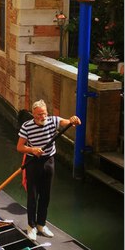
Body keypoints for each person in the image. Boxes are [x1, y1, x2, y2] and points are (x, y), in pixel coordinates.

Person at [17, 100, 81, 242]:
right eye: (39, 114)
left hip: (49, 162)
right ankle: (31, 226)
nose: (43, 116)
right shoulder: (26, 127)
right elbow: (20, 147)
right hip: (32, 162)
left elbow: (66, 122)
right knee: (33, 196)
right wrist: (32, 149)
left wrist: (73, 120)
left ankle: (41, 224)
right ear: (33, 114)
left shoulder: (53, 121)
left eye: (44, 113)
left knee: (45, 195)